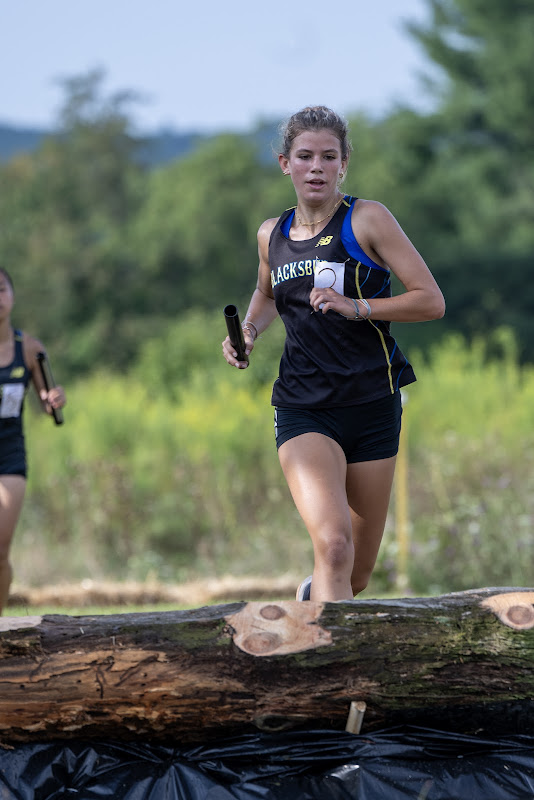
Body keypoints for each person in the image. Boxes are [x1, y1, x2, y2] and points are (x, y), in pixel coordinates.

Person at [222, 106, 445, 602]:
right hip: (304, 406)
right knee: (334, 547)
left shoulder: (368, 219)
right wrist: (251, 332)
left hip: (372, 404)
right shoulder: (270, 235)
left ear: (345, 163)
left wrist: (357, 306)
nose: (316, 167)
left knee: (357, 575)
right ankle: (324, 673)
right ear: (285, 164)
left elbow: (431, 301)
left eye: (328, 156)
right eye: (305, 156)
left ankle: (312, 601)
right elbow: (265, 294)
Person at [0, 268, 66, 614]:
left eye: (1, 289)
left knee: (1, 548)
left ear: (11, 295)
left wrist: (55, 399)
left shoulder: (29, 348)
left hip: (10, 455)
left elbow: (45, 399)